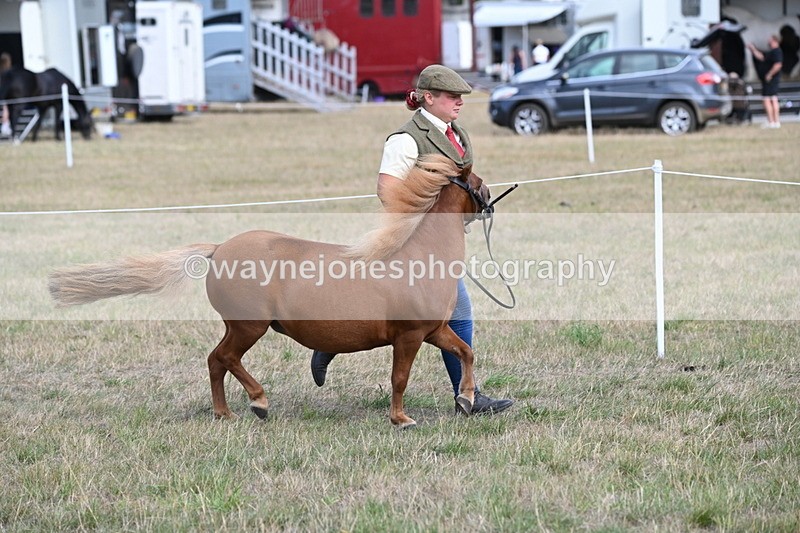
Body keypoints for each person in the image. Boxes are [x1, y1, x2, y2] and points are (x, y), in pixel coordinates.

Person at [311, 65, 514, 416]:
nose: (459, 103)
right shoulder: (405, 140)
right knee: (457, 307)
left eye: (461, 97)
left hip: (440, 245)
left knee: (447, 308)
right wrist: (421, 228)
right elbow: (387, 190)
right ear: (428, 98)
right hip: (410, 242)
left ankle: (331, 342)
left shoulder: (455, 134)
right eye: (452, 97)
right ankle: (467, 394)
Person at [748, 36, 783, 129]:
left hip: (771, 80)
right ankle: (772, 121)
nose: (768, 41)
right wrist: (753, 49)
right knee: (770, 99)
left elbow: (778, 65)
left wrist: (770, 74)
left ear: (775, 40)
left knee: (769, 99)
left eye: (770, 39)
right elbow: (761, 57)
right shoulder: (771, 53)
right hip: (767, 80)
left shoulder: (777, 52)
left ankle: (774, 121)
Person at [0, 52, 12, 138]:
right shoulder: (8, 72)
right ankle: (5, 127)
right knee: (5, 110)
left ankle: (5, 127)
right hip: (5, 94)